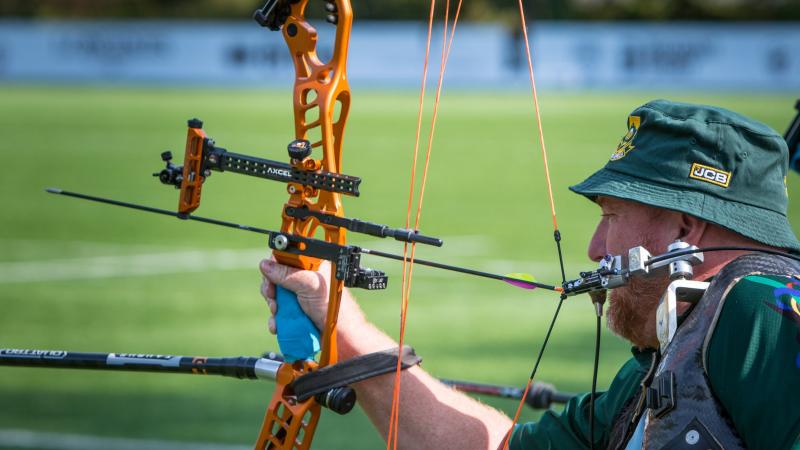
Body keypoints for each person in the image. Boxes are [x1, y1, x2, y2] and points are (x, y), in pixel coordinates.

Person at [259, 100, 800, 449]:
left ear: (685, 225)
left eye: (610, 216)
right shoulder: (677, 352)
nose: (594, 249)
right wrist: (343, 328)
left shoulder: (759, 312)